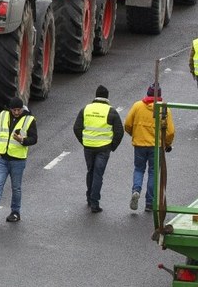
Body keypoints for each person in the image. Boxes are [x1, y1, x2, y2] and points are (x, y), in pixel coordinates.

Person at [0, 96, 36, 223]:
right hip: (2, 158)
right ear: (10, 109)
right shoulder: (3, 115)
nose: (16, 112)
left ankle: (15, 212)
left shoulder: (29, 120)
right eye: (14, 110)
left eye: (19, 110)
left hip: (18, 160)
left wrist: (22, 140)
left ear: (22, 109)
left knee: (16, 187)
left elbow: (34, 138)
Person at [73, 84, 124, 213]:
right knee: (98, 175)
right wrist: (112, 146)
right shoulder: (111, 111)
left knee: (90, 171)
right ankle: (95, 203)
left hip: (88, 147)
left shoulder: (86, 109)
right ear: (107, 97)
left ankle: (89, 198)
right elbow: (119, 131)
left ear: (96, 96)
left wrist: (84, 141)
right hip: (103, 149)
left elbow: (77, 128)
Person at [124, 84, 175, 212]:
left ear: (148, 93)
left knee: (139, 169)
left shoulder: (138, 106)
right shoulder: (164, 109)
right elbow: (170, 132)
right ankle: (149, 203)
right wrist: (167, 144)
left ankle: (136, 190)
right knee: (153, 173)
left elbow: (127, 124)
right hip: (156, 146)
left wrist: (134, 134)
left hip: (140, 144)